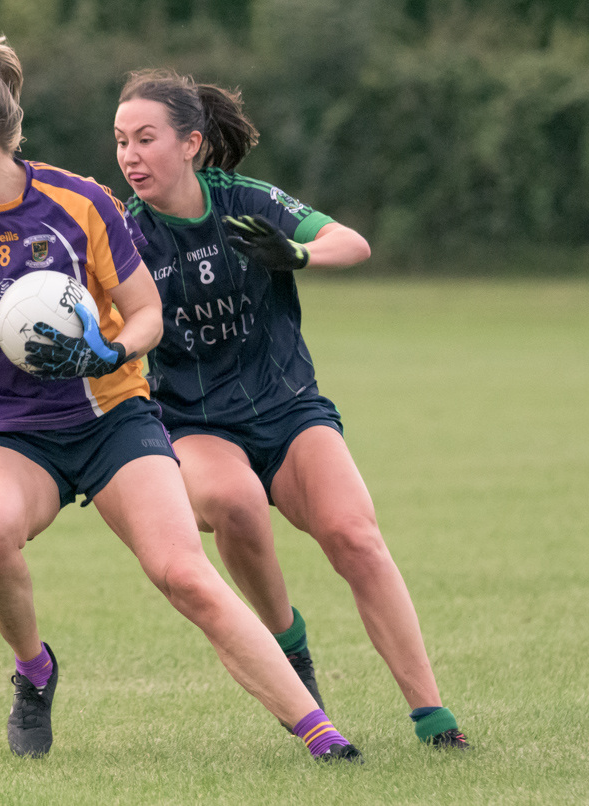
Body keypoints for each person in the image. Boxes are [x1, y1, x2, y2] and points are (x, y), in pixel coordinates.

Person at [0, 38, 362, 762]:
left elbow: (146, 315)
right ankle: (34, 671)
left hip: (112, 417)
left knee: (183, 575)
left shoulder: (81, 202)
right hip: (9, 431)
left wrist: (107, 353)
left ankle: (321, 735)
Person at [113, 69, 470, 749]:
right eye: (121, 141)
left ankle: (432, 716)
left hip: (287, 407)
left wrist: (297, 252)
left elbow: (352, 243)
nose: (130, 155)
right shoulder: (125, 235)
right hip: (193, 422)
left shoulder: (244, 200)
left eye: (145, 138)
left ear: (190, 143)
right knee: (235, 503)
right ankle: (288, 640)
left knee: (354, 537)